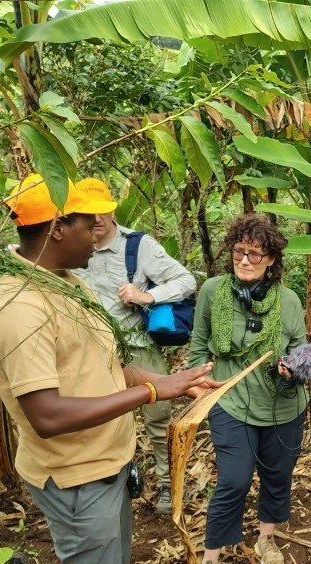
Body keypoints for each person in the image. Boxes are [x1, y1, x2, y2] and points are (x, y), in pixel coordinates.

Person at [0, 174, 219, 564]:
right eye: (91, 224)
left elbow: (99, 367)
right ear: (58, 227)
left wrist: (153, 379)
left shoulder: (65, 283)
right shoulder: (19, 308)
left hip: (105, 466)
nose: (102, 233)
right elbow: (49, 414)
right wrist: (149, 397)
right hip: (77, 477)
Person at [189, 214, 311, 564]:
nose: (244, 261)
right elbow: (198, 344)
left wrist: (294, 368)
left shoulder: (288, 300)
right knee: (234, 480)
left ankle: (266, 538)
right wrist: (197, 386)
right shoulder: (212, 291)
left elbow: (303, 351)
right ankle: (210, 561)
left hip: (283, 407)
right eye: (239, 252)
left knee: (278, 476)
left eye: (255, 255)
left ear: (271, 259)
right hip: (231, 403)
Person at [77, 177, 197, 514]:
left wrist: (147, 295)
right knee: (105, 421)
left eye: (102, 211)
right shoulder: (71, 247)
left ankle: (167, 485)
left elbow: (186, 281)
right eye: (88, 213)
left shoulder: (138, 246)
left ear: (113, 208)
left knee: (158, 418)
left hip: (137, 345)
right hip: (91, 352)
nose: (96, 219)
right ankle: (119, 482)